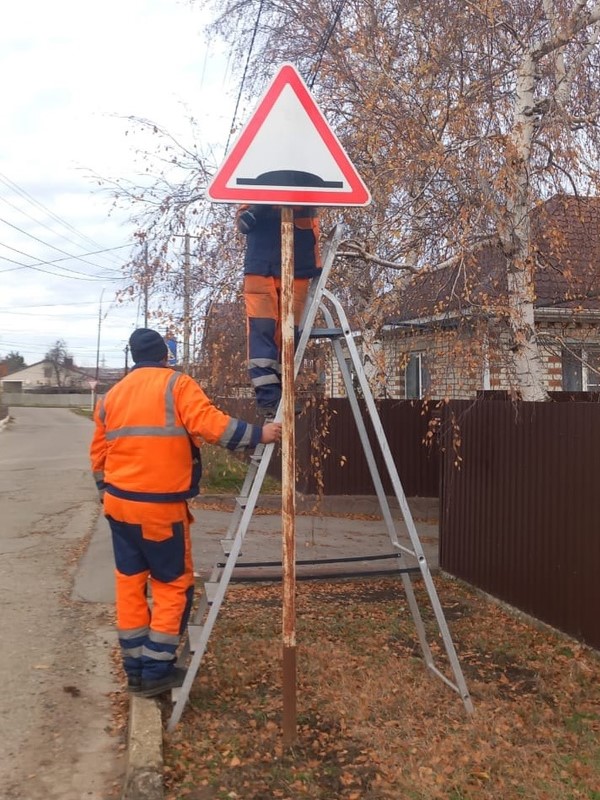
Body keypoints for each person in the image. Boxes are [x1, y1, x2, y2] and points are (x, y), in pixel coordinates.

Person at [89, 328, 282, 698]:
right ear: (166, 355)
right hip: (158, 507)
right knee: (171, 583)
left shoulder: (111, 396)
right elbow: (211, 425)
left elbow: (98, 455)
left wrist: (106, 494)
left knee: (129, 582)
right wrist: (262, 434)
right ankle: (157, 668)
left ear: (133, 358)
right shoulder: (176, 385)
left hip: (118, 504)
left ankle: (135, 670)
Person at [236, 204, 321, 417]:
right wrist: (266, 204)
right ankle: (269, 398)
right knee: (263, 332)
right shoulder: (261, 185)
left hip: (296, 269)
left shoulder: (308, 182)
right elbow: (244, 221)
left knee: (289, 335)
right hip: (263, 269)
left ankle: (284, 395)